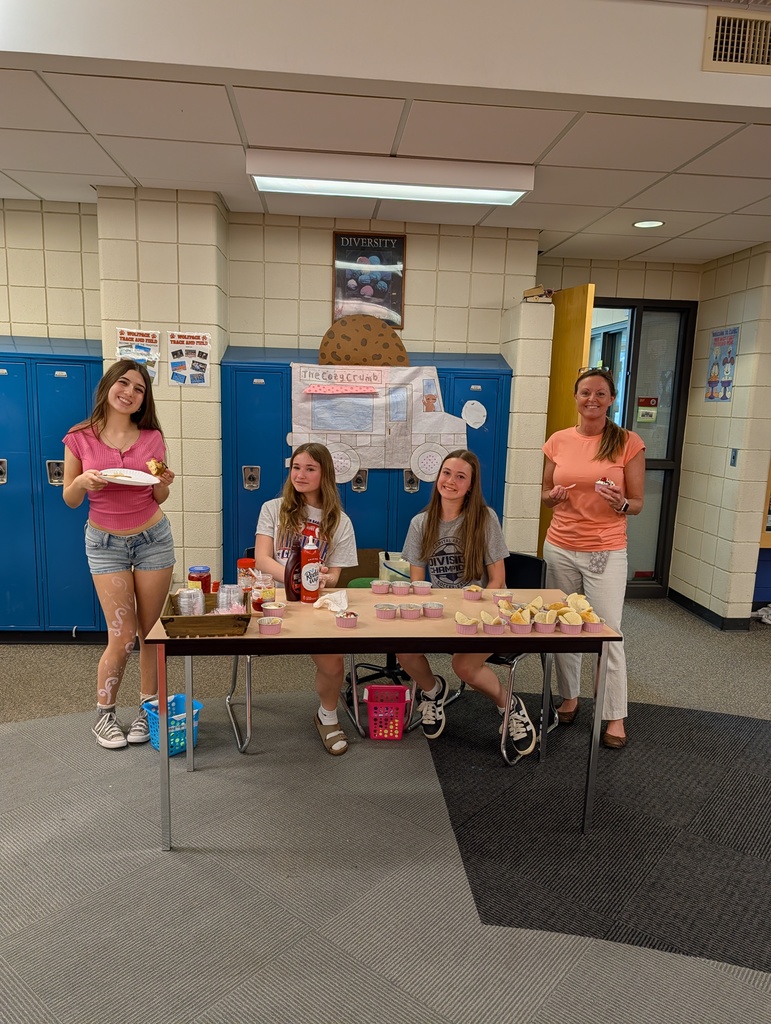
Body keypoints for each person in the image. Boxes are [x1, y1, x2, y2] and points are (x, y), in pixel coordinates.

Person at [62, 359, 176, 749]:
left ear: (145, 399)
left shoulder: (152, 436)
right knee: (122, 635)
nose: (129, 392)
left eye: (139, 389)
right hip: (105, 543)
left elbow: (158, 493)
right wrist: (79, 481)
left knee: (150, 633)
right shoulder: (79, 437)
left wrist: (164, 482)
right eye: (123, 384)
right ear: (109, 386)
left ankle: (148, 711)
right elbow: (71, 499)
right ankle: (105, 715)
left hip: (152, 539)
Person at [396, 449, 537, 759]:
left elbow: (498, 580)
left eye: (461, 476)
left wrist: (477, 614)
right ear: (437, 478)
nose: (451, 481)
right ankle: (433, 692)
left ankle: (509, 704)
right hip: (442, 611)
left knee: (464, 665)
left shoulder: (484, 519)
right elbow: (418, 584)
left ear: (471, 485)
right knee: (402, 648)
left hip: (484, 611)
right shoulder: (421, 523)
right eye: (447, 473)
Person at [541, 367, 645, 749]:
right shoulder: (558, 440)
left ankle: (614, 715)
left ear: (611, 399)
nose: (592, 400)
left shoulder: (627, 442)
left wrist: (621, 503)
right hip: (560, 546)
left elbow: (636, 503)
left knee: (607, 632)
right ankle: (570, 697)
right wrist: (552, 497)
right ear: (576, 396)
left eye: (601, 394)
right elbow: (545, 490)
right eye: (586, 393)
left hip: (605, 549)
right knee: (564, 627)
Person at [254, 442, 358, 755]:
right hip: (275, 600)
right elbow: (261, 559)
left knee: (333, 662)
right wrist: (298, 573)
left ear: (324, 474)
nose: (300, 474)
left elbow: (336, 576)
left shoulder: (340, 521)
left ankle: (327, 717)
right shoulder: (272, 509)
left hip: (313, 603)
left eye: (310, 468)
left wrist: (322, 577)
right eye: (296, 467)